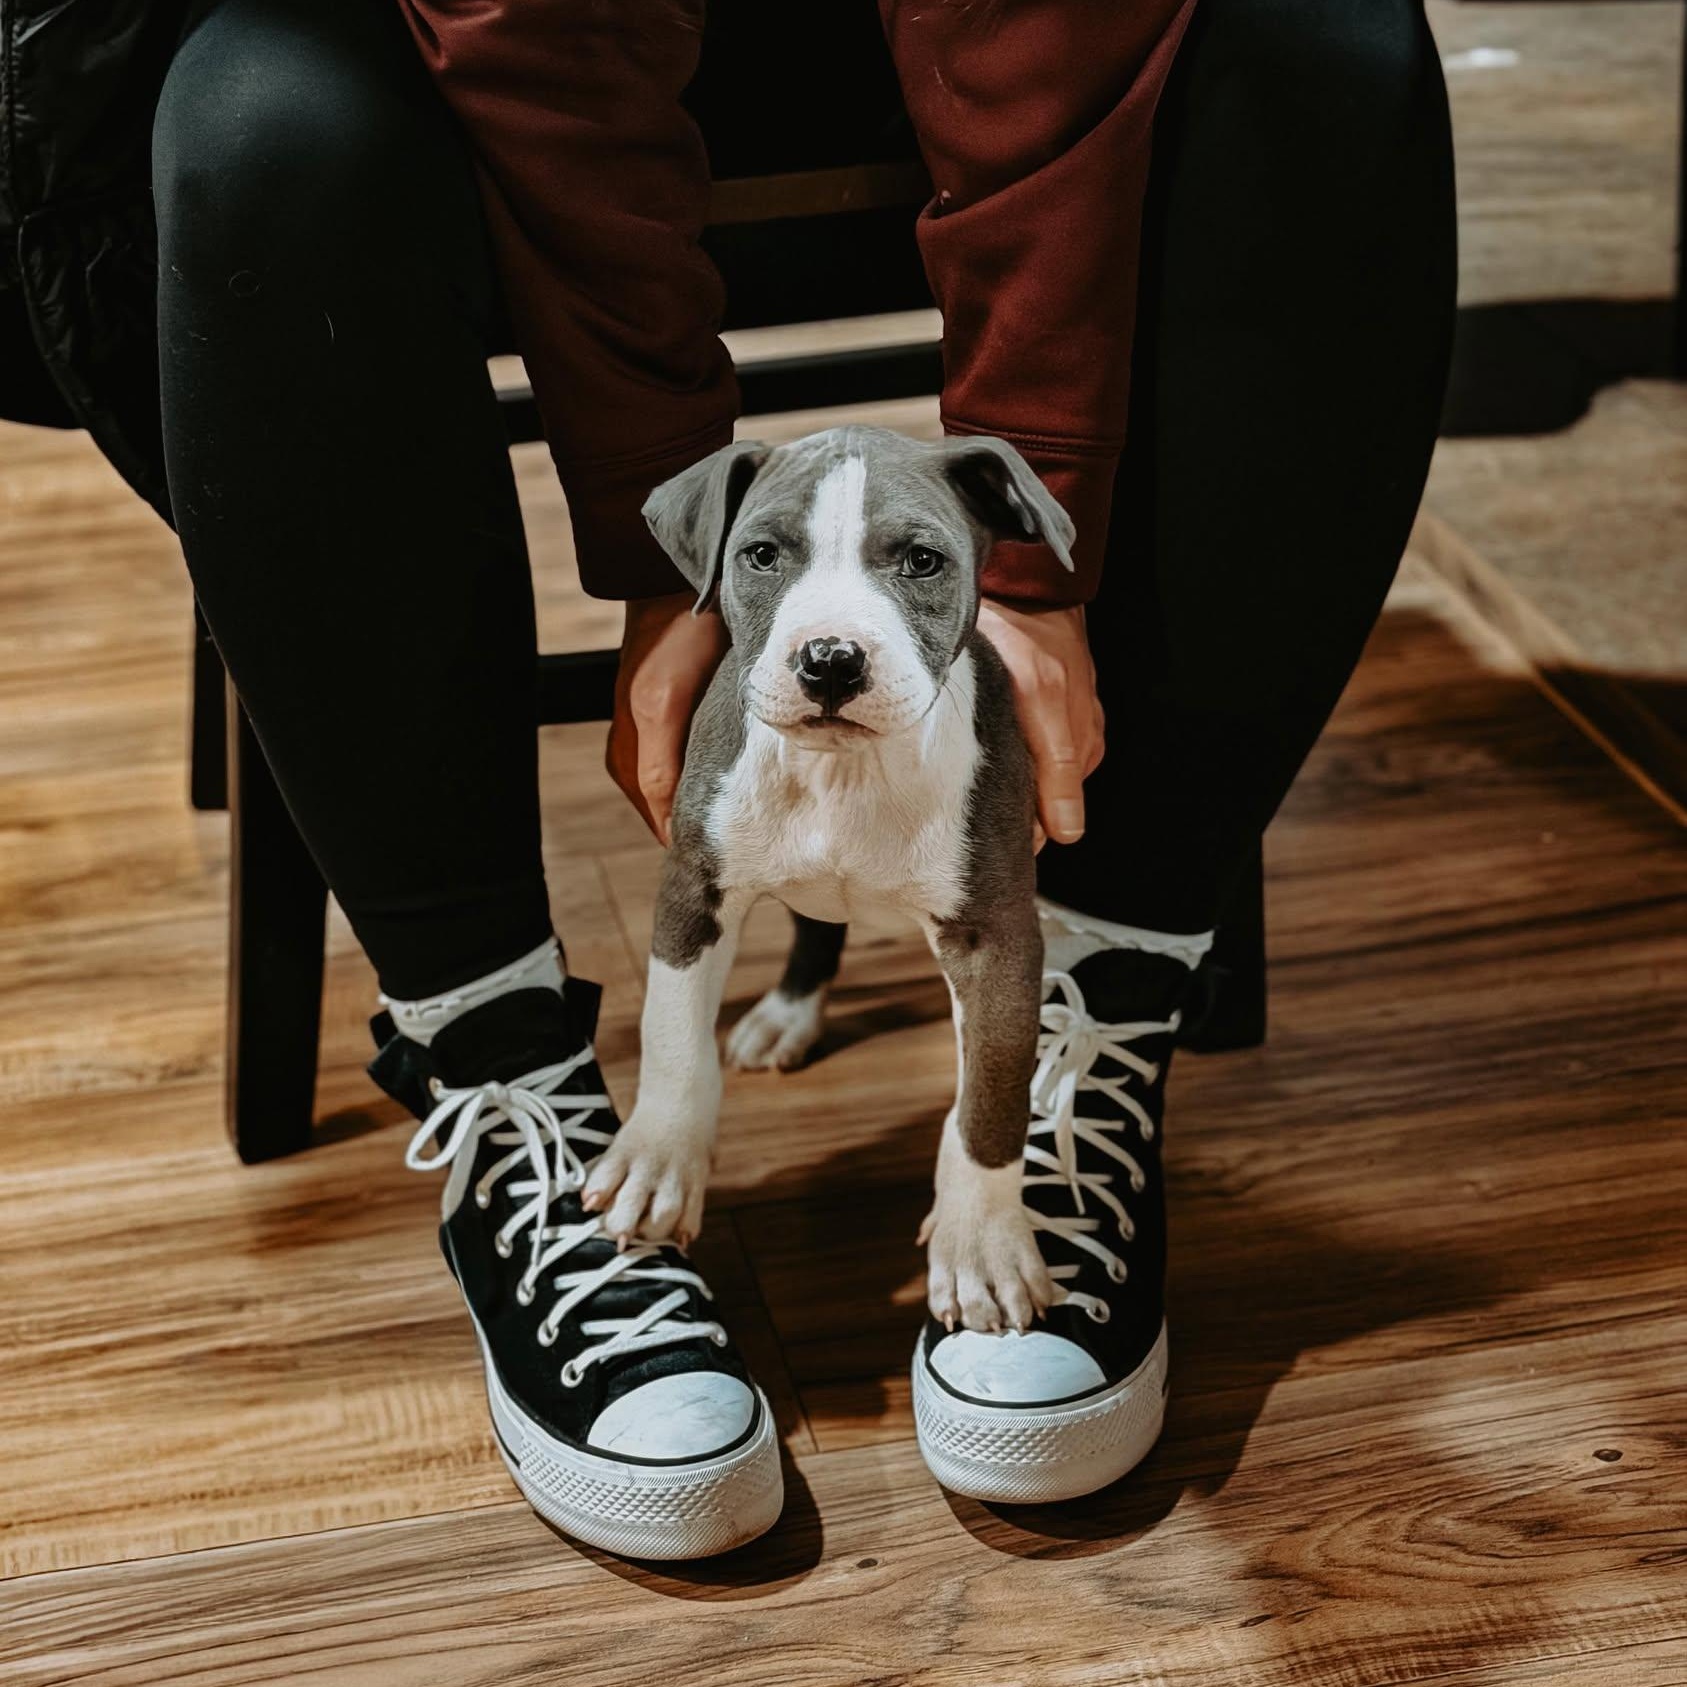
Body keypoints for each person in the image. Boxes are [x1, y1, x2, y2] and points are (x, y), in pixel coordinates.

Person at [0, 0, 1454, 1553]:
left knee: (1334, 46)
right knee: (264, 111)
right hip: (503, 40)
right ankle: (496, 1063)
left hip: (997, 36)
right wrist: (660, 536)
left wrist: (1021, 553)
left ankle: (1088, 1023)